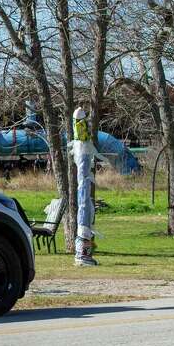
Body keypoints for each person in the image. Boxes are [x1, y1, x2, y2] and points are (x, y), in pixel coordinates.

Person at [72, 107, 97, 266]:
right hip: (83, 166)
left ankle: (83, 252)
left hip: (84, 168)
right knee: (84, 201)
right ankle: (83, 254)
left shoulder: (79, 129)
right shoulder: (80, 129)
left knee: (84, 200)